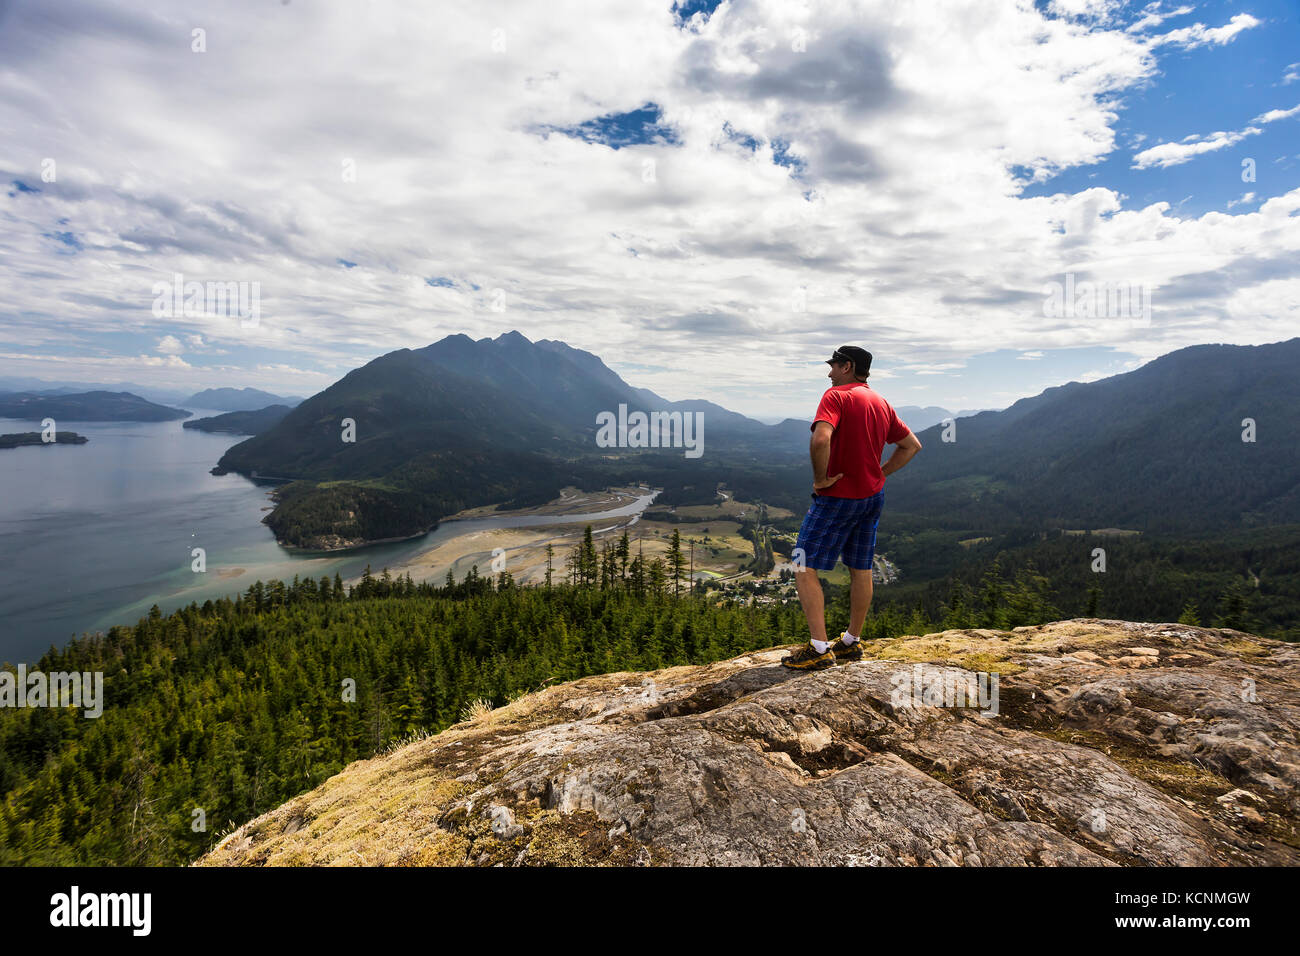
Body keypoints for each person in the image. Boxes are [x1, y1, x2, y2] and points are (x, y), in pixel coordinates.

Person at [782, 346, 922, 669]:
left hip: (839, 497)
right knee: (861, 567)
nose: (829, 373)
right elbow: (912, 445)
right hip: (872, 498)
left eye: (833, 366)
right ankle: (851, 642)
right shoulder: (881, 402)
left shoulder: (836, 398)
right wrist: (881, 472)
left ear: (847, 366)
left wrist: (821, 479)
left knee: (803, 562)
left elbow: (820, 440)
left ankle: (819, 650)